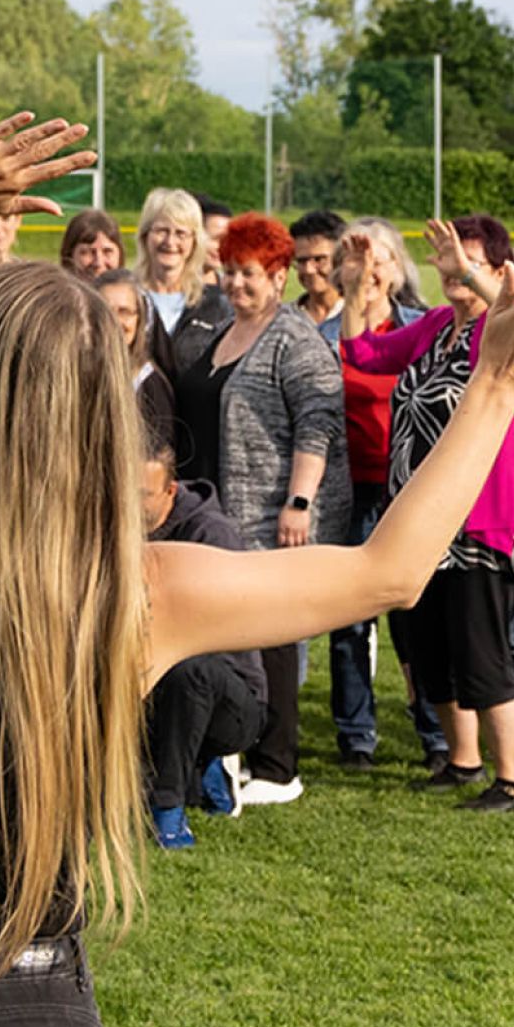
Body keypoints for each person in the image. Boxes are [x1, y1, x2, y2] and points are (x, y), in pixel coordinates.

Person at [0, 113, 514, 1027]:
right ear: (101, 405)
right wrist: (492, 384)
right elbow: (386, 572)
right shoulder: (134, 589)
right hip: (25, 1013)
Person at [174, 213, 351, 805]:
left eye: (248, 273)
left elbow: (318, 423)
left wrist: (299, 502)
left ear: (278, 276)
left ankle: (278, 766)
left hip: (272, 510)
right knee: (221, 629)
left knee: (271, 632)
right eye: (228, 272)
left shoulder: (294, 338)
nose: (235, 284)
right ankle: (224, 752)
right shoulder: (223, 329)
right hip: (215, 505)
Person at [340, 215, 514, 810]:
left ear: (498, 273)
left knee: (481, 649)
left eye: (469, 263)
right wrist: (361, 289)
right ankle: (462, 761)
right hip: (422, 523)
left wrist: (475, 279)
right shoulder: (438, 326)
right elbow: (364, 351)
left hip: (476, 522)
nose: (452, 271)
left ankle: (510, 777)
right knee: (428, 646)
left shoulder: (499, 327)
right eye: (449, 261)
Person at [318, 220, 440, 771]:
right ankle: (356, 734)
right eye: (356, 258)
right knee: (348, 618)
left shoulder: (420, 328)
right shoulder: (320, 335)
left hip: (408, 487)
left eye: (381, 258)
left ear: (399, 268)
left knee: (419, 617)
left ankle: (436, 732)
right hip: (348, 487)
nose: (369, 269)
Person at [142, 442, 267, 849]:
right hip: (149, 676)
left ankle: (169, 813)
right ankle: (198, 772)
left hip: (227, 696)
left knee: (189, 668)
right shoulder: (112, 528)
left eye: (143, 496)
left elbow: (225, 629)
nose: (132, 505)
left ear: (171, 491)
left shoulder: (212, 536)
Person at [135, 187, 232, 380]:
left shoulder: (218, 305)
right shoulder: (127, 296)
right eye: (162, 231)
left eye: (181, 233)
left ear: (195, 242)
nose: (170, 242)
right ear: (146, 235)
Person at [95, 269, 174, 450]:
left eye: (125, 311)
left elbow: (157, 462)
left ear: (139, 318)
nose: (114, 321)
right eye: (105, 310)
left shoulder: (149, 384)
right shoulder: (78, 371)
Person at [290, 209, 347, 328]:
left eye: (319, 259)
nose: (308, 270)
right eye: (301, 261)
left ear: (342, 258)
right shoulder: (285, 320)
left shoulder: (361, 316)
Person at [59, 209, 124, 280]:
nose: (98, 263)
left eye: (107, 251)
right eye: (88, 252)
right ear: (69, 256)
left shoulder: (134, 289)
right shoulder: (53, 290)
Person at [195, 194, 232, 287]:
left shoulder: (229, 289)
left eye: (227, 240)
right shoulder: (172, 288)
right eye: (215, 239)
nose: (221, 247)